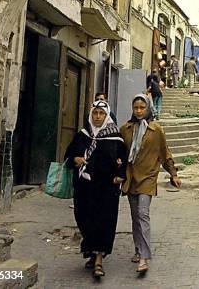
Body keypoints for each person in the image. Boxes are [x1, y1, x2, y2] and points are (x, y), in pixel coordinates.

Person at [63, 100, 127, 278]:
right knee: (84, 219)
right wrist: (75, 160)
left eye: (101, 113)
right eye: (95, 113)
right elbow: (68, 156)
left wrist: (120, 175)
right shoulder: (82, 135)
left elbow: (124, 159)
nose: (98, 117)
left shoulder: (115, 137)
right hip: (84, 189)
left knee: (104, 222)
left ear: (107, 116)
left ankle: (99, 259)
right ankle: (91, 251)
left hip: (106, 189)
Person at [120, 94, 181, 274]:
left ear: (148, 109)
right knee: (135, 217)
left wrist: (173, 174)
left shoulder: (156, 130)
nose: (139, 111)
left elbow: (165, 154)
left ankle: (144, 257)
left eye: (142, 108)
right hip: (130, 178)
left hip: (148, 177)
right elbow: (119, 153)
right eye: (136, 108)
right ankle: (138, 250)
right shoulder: (126, 129)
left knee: (142, 213)